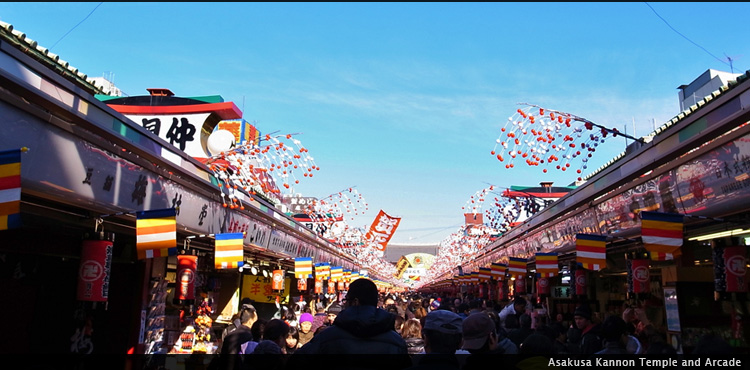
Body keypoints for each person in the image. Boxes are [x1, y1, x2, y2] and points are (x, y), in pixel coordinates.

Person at [289, 278, 411, 370]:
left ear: (355, 302)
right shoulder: (396, 342)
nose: (344, 304)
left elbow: (296, 363)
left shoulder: (327, 338)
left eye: (346, 300)